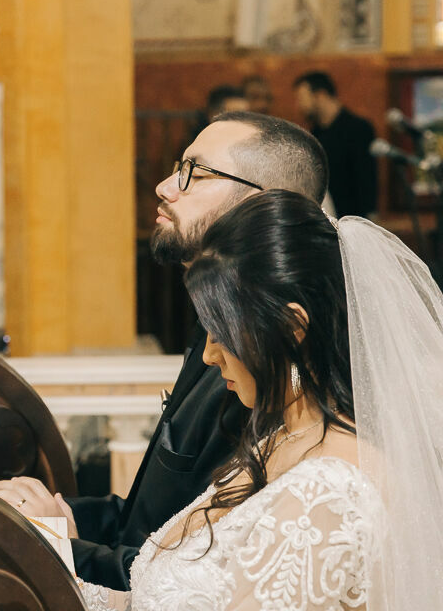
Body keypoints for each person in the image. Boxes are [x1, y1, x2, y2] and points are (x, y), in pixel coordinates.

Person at [0, 111, 329, 590]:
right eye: (177, 167)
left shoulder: (272, 375)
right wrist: (35, 513)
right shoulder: (216, 336)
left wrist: (59, 543)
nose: (166, 186)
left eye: (195, 173)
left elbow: (208, 575)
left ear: (264, 205)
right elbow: (150, 522)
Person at [77, 189, 443, 610]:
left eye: (222, 330)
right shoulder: (279, 437)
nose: (210, 354)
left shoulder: (330, 492)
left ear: (291, 328)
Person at [294, 71, 378, 218]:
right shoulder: (314, 134)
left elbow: (367, 178)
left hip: (355, 219)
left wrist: (370, 217)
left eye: (302, 98)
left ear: (319, 95)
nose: (299, 105)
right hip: (326, 218)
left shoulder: (358, 128)